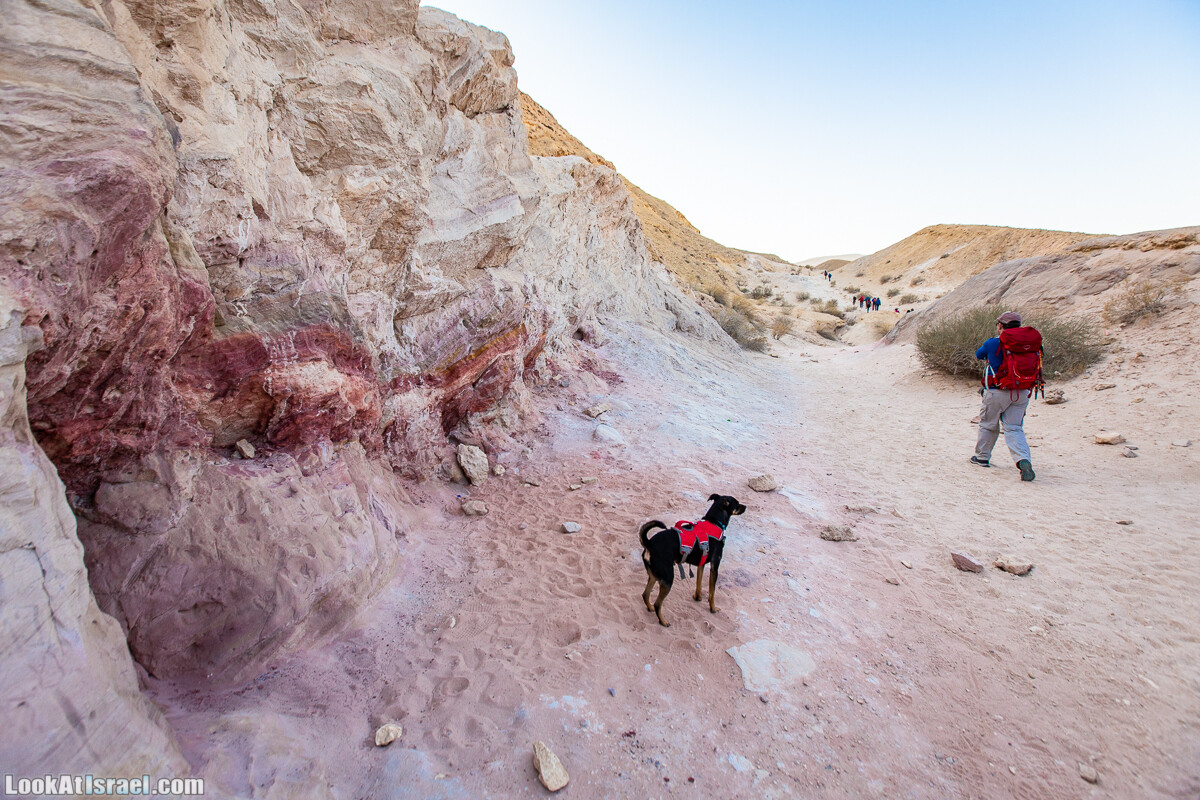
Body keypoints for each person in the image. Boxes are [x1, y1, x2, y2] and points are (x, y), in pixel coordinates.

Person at [971, 311, 1036, 481]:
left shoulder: (993, 343)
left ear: (1000, 326)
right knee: (1014, 427)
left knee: (988, 424)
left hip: (997, 390)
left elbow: (979, 354)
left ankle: (982, 457)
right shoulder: (1030, 343)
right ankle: (1023, 460)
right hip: (1022, 391)